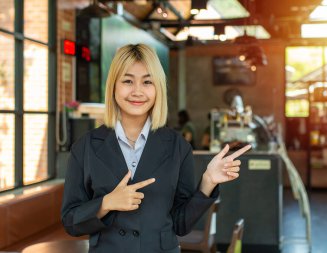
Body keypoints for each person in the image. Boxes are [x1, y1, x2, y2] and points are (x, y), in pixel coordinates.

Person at [61, 44, 251, 253]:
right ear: (113, 86)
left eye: (147, 82)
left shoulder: (178, 146)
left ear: (158, 88)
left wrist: (208, 182)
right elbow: (71, 221)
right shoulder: (85, 147)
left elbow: (181, 224)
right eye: (127, 81)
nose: (137, 91)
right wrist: (105, 203)